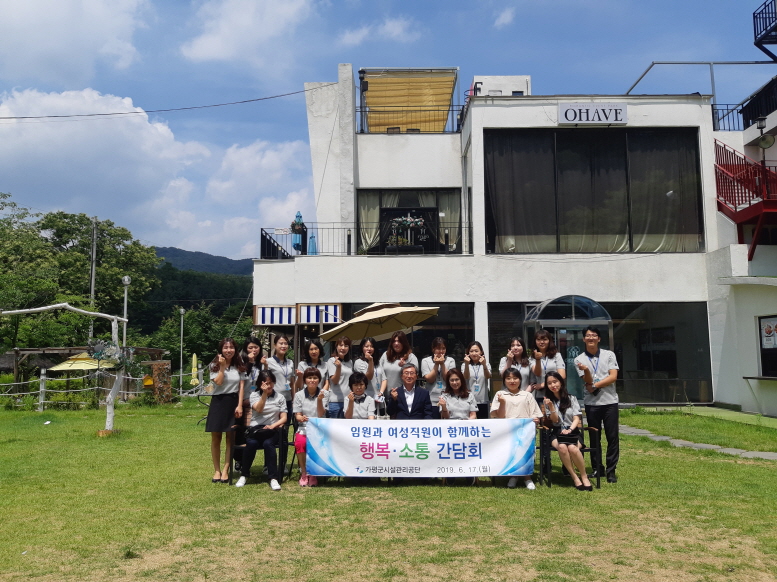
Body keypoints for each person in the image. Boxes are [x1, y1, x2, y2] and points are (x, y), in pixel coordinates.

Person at [574, 326, 620, 483]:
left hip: (610, 402)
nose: (591, 338)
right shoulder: (579, 359)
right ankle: (597, 468)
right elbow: (586, 380)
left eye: (594, 335)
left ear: (599, 339)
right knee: (594, 436)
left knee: (612, 437)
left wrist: (596, 385)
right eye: (588, 336)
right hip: (592, 403)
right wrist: (587, 371)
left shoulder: (609, 355)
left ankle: (611, 470)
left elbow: (613, 376)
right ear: (584, 339)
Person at [235, 370, 287, 490]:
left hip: (272, 430)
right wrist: (264, 394)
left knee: (268, 444)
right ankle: (244, 474)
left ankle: (273, 478)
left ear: (274, 383)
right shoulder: (254, 395)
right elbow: (258, 409)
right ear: (259, 384)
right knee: (251, 443)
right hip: (256, 430)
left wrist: (273, 426)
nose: (268, 386)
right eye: (265, 383)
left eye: (270, 383)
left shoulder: (280, 397)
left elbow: (284, 418)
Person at [490, 367, 542, 490]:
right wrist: (502, 403)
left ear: (520, 379)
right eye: (508, 378)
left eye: (515, 378)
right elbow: (500, 416)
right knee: (512, 453)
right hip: (507, 432)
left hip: (525, 431)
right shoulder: (500, 394)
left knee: (526, 453)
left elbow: (535, 414)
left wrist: (535, 419)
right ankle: (514, 476)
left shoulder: (527, 395)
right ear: (504, 380)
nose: (512, 381)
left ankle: (527, 478)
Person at [542, 371, 592, 491]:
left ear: (561, 382)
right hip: (557, 432)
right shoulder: (548, 401)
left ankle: (584, 476)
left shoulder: (572, 398)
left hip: (573, 431)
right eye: (549, 383)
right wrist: (552, 407)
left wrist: (570, 429)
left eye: (555, 381)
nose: (553, 385)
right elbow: (555, 421)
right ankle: (574, 477)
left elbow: (576, 418)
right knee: (563, 447)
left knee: (573, 448)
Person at [205, 338, 246, 484]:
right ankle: (216, 470)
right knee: (216, 437)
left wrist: (240, 405)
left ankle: (226, 469)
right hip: (218, 402)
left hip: (233, 402)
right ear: (221, 350)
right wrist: (222, 367)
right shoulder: (214, 365)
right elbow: (218, 382)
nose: (228, 350)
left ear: (235, 349)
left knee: (231, 438)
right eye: (225, 348)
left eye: (231, 347)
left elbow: (241, 387)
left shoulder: (239, 366)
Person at [234, 336, 263, 474]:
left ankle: (247, 463)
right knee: (240, 433)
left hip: (255, 402)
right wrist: (249, 362)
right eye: (250, 347)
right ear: (246, 349)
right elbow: (242, 380)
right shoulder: (240, 362)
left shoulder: (261, 363)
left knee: (252, 433)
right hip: (242, 401)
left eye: (256, 347)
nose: (253, 350)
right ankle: (239, 461)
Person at [292, 367, 323, 487]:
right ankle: (304, 472)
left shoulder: (324, 394)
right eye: (309, 377)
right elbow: (297, 415)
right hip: (303, 427)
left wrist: (320, 400)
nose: (312, 380)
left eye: (315, 378)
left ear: (319, 380)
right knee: (300, 443)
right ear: (305, 380)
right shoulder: (299, 395)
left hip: (319, 428)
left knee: (315, 444)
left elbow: (321, 414)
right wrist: (301, 418)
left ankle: (313, 473)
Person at [421, 337, 457, 419]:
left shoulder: (451, 360)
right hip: (431, 399)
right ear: (433, 349)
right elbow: (430, 379)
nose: (441, 351)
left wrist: (442, 364)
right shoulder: (425, 361)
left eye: (443, 348)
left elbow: (449, 379)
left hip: (448, 399)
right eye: (438, 348)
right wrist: (436, 364)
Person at [379, 331, 418, 401]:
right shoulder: (385, 355)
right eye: (394, 341)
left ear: (404, 343)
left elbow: (414, 376)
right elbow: (379, 372)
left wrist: (405, 366)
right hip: (385, 396)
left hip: (404, 397)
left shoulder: (411, 357)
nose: (396, 344)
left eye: (399, 341)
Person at [528, 330, 566, 402]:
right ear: (535, 341)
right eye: (538, 339)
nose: (541, 342)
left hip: (556, 393)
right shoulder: (532, 358)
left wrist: (543, 385)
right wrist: (538, 359)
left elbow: (562, 375)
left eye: (544, 339)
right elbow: (537, 373)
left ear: (549, 341)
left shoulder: (557, 355)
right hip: (541, 395)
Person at [462, 341, 492, 419]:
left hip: (483, 400)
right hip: (468, 401)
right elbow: (466, 377)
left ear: (481, 352)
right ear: (468, 352)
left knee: (483, 423)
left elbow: (488, 376)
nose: (474, 353)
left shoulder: (486, 364)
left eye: (476, 351)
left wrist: (484, 365)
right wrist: (466, 364)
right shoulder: (464, 365)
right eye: (471, 351)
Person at [353, 337, 385, 410]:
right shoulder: (359, 362)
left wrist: (381, 392)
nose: (369, 348)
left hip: (379, 399)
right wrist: (370, 360)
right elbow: (368, 377)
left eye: (371, 346)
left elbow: (384, 379)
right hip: (366, 400)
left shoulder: (378, 362)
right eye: (366, 346)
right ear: (362, 348)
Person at [326, 336, 353, 418]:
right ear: (336, 346)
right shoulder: (331, 361)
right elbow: (334, 380)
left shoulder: (350, 362)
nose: (343, 348)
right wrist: (338, 367)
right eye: (340, 345)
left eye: (346, 346)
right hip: (335, 401)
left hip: (348, 400)